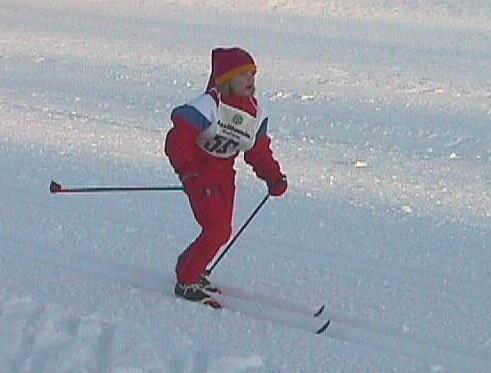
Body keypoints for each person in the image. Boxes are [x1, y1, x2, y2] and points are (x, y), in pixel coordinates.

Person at [164, 47, 287, 305]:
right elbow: (178, 139)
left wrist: (273, 177)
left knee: (223, 230)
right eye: (243, 74)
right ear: (227, 79)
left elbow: (258, 150)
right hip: (200, 175)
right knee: (217, 230)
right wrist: (189, 172)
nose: (250, 80)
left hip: (225, 175)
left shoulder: (254, 112)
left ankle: (190, 266)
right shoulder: (210, 105)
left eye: (253, 73)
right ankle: (187, 281)